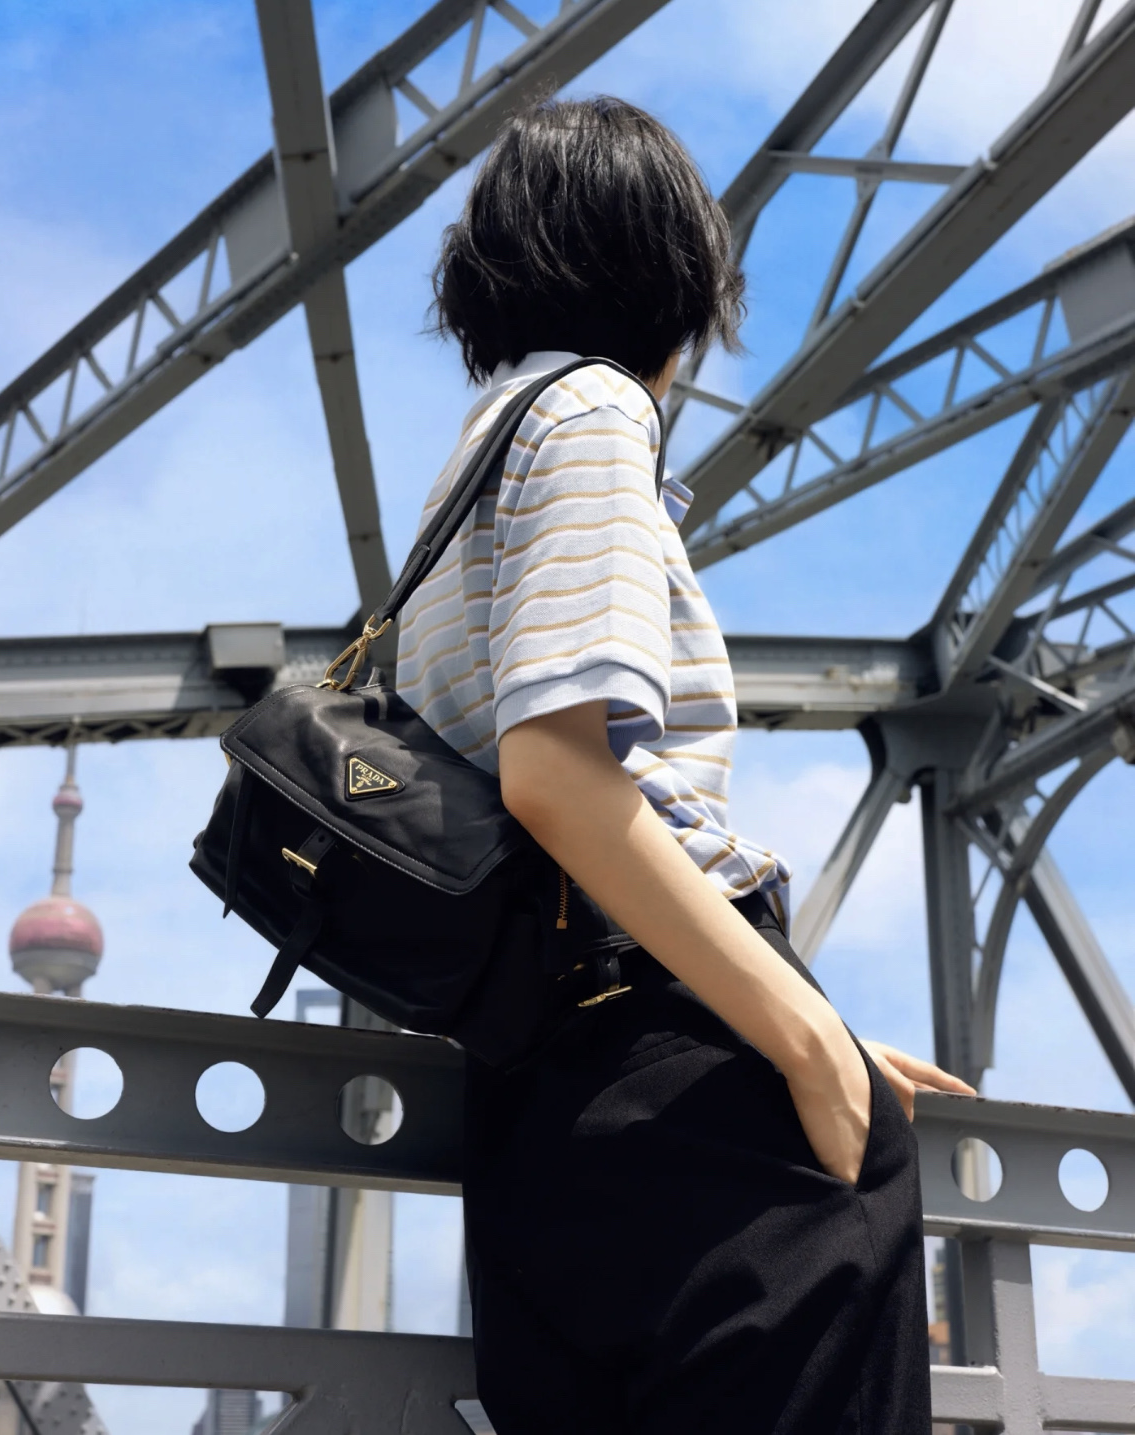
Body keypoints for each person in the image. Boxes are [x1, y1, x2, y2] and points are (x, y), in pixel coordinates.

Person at [397, 95, 973, 1435]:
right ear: (672, 273)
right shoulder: (591, 409)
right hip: (662, 1065)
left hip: (539, 1097)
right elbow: (559, 778)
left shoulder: (470, 466)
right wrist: (800, 1035)